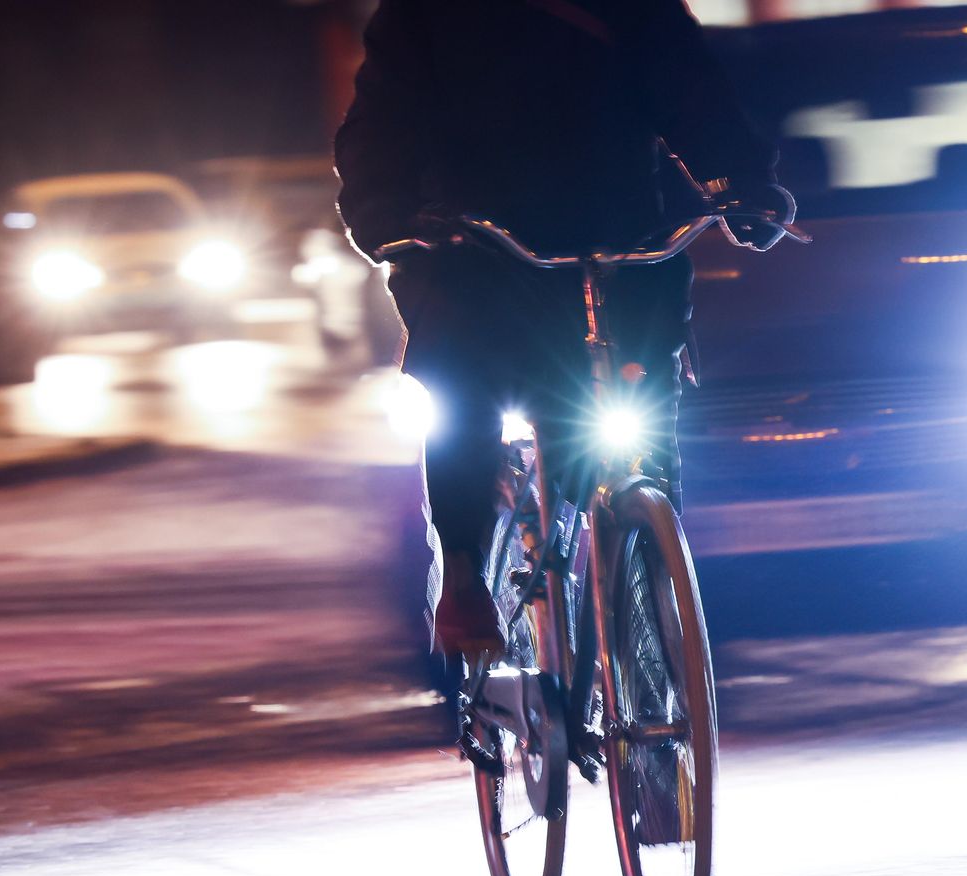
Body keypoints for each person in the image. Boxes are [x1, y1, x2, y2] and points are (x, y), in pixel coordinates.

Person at [335, 0, 794, 660]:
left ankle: (646, 552)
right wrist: (392, 221)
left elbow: (691, 91)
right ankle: (463, 572)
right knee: (462, 376)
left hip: (616, 238)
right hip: (471, 246)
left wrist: (741, 182)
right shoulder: (425, 12)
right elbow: (380, 123)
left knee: (648, 362)